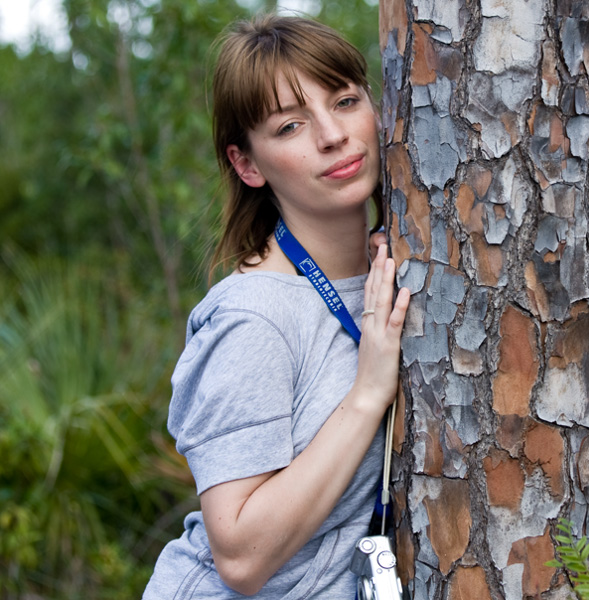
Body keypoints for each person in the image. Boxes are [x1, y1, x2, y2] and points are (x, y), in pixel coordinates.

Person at [143, 13, 409, 599]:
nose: (332, 135)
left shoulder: (397, 267)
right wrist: (367, 393)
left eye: (343, 101)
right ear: (248, 164)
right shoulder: (253, 317)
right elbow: (239, 556)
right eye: (290, 126)